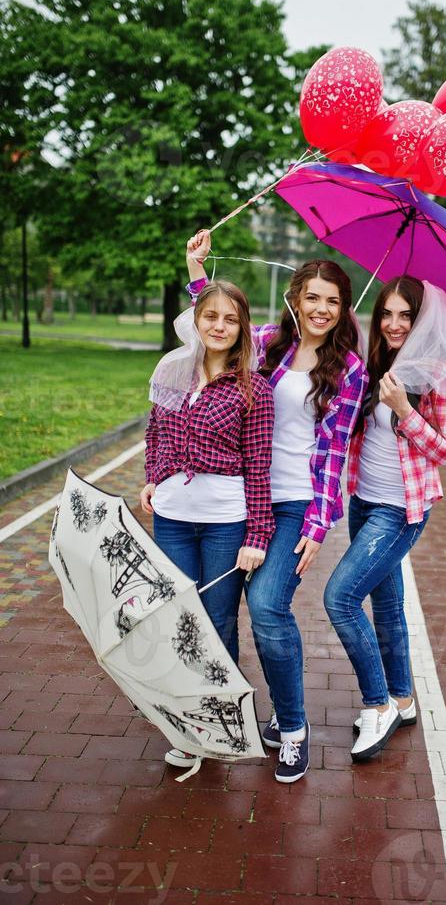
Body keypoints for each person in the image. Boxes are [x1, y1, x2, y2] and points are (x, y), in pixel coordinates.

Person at [186, 231, 368, 782]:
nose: (322, 309)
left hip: (294, 507)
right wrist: (195, 272)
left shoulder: (350, 370)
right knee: (219, 612)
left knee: (267, 607)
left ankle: (293, 727)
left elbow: (335, 454)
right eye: (312, 297)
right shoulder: (266, 343)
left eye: (333, 300)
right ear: (296, 298)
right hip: (239, 496)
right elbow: (216, 326)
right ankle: (226, 714)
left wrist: (318, 524)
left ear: (343, 308)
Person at [323, 275, 446, 761]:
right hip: (364, 501)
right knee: (388, 605)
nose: (395, 324)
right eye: (388, 314)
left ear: (421, 321)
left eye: (406, 316)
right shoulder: (372, 361)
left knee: (340, 598)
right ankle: (402, 695)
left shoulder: (440, 375)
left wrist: (403, 409)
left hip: (401, 511)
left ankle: (378, 705)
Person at [140, 277, 275, 769]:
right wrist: (153, 477)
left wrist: (258, 535)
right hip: (172, 518)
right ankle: (187, 723)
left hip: (224, 521)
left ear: (242, 328)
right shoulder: (174, 371)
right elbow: (155, 431)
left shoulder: (254, 388)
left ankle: (221, 717)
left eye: (230, 318)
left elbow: (259, 465)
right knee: (180, 617)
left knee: (217, 622)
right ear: (196, 320)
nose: (219, 326)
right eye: (211, 316)